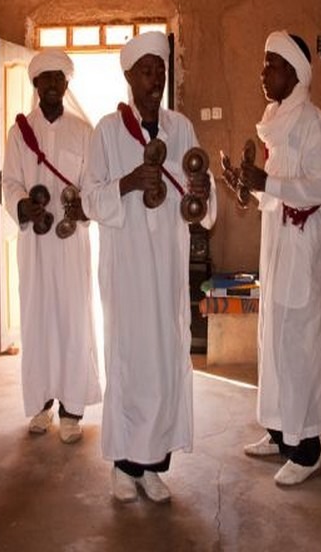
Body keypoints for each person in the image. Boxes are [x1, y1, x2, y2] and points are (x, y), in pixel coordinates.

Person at [81, 31, 217, 503]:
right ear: (128, 77)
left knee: (163, 359)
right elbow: (89, 196)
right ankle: (123, 464)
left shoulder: (181, 129)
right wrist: (126, 184)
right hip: (126, 269)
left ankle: (154, 463)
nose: (154, 79)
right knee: (128, 359)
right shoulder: (105, 131)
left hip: (167, 267)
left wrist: (201, 190)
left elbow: (203, 193)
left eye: (160, 70)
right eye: (146, 71)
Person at [239, 31, 321, 486]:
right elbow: (274, 189)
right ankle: (278, 433)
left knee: (299, 344)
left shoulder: (312, 122)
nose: (263, 73)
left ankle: (307, 447)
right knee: (272, 339)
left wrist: (267, 183)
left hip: (301, 247)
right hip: (275, 243)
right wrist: (250, 188)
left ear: (295, 73)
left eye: (272, 65)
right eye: (264, 64)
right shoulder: (275, 119)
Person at [2, 50, 102, 443]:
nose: (52, 85)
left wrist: (82, 207)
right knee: (38, 319)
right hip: (35, 245)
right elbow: (9, 182)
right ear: (35, 85)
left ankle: (73, 409)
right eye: (45, 79)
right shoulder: (20, 132)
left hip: (71, 242)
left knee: (73, 319)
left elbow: (93, 184)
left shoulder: (83, 131)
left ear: (66, 84)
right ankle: (42, 405)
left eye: (58, 78)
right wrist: (23, 204)